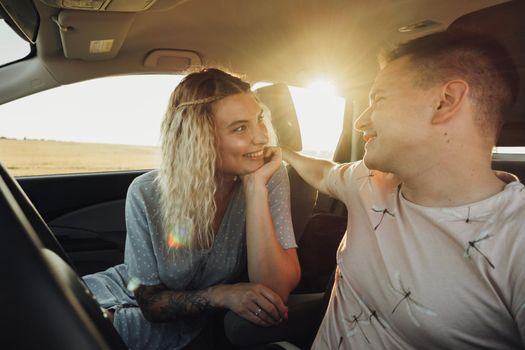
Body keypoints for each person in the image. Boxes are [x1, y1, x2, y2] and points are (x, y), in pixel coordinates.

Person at [282, 31, 524, 349]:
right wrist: (282, 152)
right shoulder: (368, 181)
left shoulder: (516, 238)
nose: (360, 123)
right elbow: (324, 172)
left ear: (444, 102)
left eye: (379, 99)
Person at [84, 68, 301, 349]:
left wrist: (254, 187)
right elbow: (150, 301)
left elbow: (275, 290)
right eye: (240, 128)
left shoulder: (269, 176)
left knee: (88, 333)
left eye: (259, 120)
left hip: (188, 321)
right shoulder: (146, 192)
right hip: (131, 292)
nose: (261, 138)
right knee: (51, 309)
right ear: (200, 139)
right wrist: (222, 295)